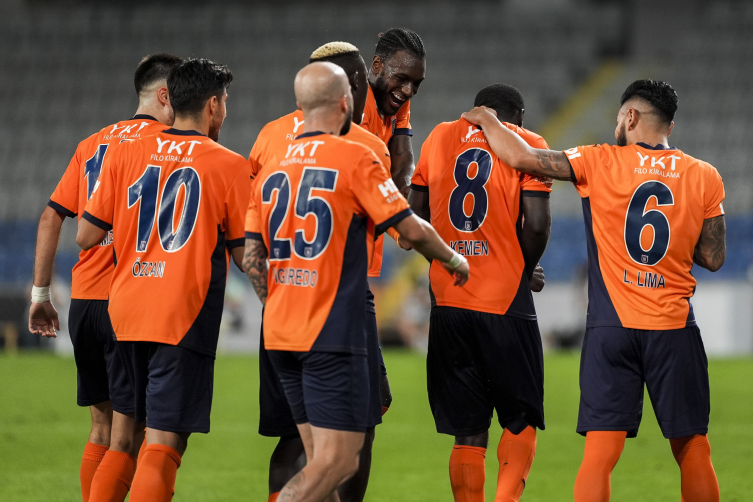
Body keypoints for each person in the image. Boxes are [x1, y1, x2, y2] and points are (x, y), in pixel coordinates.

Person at [462, 79, 724, 502]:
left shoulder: (599, 160)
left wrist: (486, 119)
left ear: (630, 117)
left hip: (611, 329)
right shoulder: (704, 175)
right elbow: (713, 257)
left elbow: (521, 156)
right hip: (673, 328)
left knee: (600, 454)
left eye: (619, 117)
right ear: (670, 127)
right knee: (692, 446)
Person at [243, 61, 469, 502]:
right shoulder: (354, 156)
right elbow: (410, 228)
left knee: (316, 459)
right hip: (330, 331)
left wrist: (280, 305)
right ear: (346, 103)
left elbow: (254, 259)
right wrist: (453, 258)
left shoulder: (271, 167)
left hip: (280, 333)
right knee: (340, 462)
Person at [77, 58, 251, 502]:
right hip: (180, 317)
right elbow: (243, 255)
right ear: (213, 105)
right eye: (225, 101)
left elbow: (86, 235)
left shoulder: (125, 152)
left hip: (124, 312)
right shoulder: (229, 164)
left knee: (125, 435)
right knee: (164, 442)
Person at [247, 41, 398, 502]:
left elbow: (253, 232)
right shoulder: (366, 145)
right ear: (351, 89)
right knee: (353, 437)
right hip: (340, 308)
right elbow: (397, 225)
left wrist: (278, 298)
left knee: (293, 439)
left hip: (281, 305)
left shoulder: (268, 137)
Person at [28, 53, 182, 502]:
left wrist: (41, 294)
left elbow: (51, 216)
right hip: (128, 303)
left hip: (83, 302)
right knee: (130, 435)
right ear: (165, 95)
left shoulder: (92, 142)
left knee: (100, 426)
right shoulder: (168, 145)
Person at [409, 83, 551, 502]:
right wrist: (521, 270)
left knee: (468, 429)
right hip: (503, 301)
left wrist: (445, 262)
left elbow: (414, 219)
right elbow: (537, 225)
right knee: (520, 419)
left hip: (448, 302)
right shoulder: (527, 141)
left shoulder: (438, 137)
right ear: (517, 117)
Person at [362, 27, 425, 197]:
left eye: (416, 83)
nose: (408, 91)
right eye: (401, 79)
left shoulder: (398, 101)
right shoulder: (357, 102)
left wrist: (408, 191)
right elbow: (360, 175)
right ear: (377, 65)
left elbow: (402, 167)